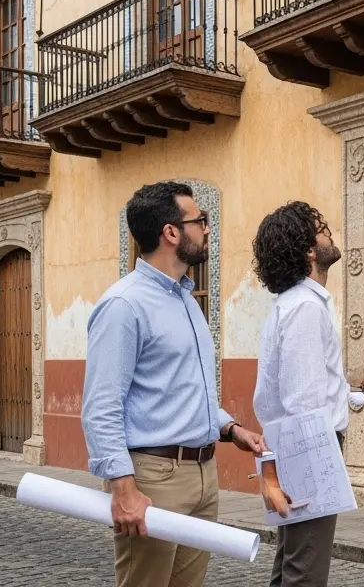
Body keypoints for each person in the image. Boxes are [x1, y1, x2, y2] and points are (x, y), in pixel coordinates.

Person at [82, 181, 268, 587]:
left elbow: (184, 389)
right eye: (199, 220)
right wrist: (125, 489)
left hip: (202, 473)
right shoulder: (124, 305)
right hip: (153, 477)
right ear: (171, 232)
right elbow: (101, 406)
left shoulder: (186, 299)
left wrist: (230, 428)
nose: (206, 229)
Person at [250, 201, 364, 587]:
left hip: (295, 445)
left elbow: (311, 391)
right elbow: (303, 403)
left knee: (291, 563)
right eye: (321, 229)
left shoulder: (294, 304)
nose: (329, 234)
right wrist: (315, 473)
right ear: (307, 249)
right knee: (305, 570)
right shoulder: (306, 307)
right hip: (308, 446)